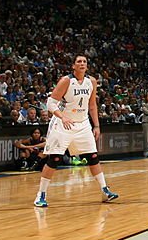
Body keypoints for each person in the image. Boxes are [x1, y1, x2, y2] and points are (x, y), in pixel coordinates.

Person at [33, 56, 119, 207]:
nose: (82, 63)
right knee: (55, 159)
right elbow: (51, 103)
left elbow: (92, 105)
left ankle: (105, 191)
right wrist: (62, 117)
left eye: (84, 61)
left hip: (83, 123)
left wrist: (96, 126)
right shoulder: (66, 80)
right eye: (79, 61)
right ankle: (41, 195)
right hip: (63, 123)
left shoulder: (91, 81)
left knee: (93, 156)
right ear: (73, 66)